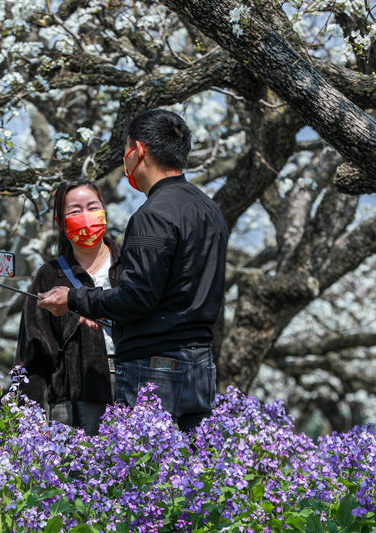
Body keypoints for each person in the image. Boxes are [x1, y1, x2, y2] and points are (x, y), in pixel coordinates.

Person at [38, 109, 228, 431]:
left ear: (138, 151)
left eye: (126, 150)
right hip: (201, 363)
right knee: (189, 474)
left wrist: (75, 299)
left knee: (143, 472)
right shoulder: (209, 210)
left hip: (154, 367)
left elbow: (138, 298)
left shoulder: (152, 215)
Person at [15, 178, 122, 436]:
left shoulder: (130, 264)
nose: (86, 217)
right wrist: (31, 418)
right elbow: (34, 353)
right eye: (75, 211)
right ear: (60, 224)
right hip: (74, 403)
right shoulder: (49, 276)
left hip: (136, 389)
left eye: (93, 207)